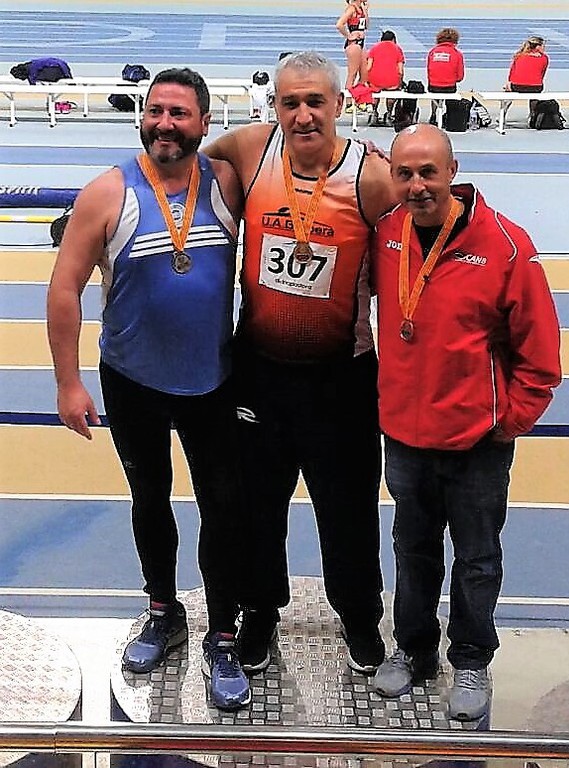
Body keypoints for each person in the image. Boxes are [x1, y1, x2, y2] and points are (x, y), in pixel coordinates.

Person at [46, 67, 251, 711]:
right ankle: (163, 610)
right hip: (132, 380)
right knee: (150, 500)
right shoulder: (107, 192)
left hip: (213, 382)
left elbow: (290, 146)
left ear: (204, 123)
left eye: (179, 114)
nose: (165, 123)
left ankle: (223, 632)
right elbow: (64, 288)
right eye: (155, 110)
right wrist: (68, 382)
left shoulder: (227, 184)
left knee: (223, 509)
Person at [203, 51, 396, 676]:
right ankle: (260, 611)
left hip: (341, 377)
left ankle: (359, 616)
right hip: (259, 372)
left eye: (315, 101)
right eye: (291, 103)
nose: (304, 115)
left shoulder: (371, 176)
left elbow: (422, 225)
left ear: (339, 103)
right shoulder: (251, 149)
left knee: (349, 508)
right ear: (275, 107)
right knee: (258, 507)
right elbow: (184, 160)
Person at [372, 124, 561, 721]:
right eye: (405, 173)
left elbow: (540, 353)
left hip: (477, 440)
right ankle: (414, 649)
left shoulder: (505, 245)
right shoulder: (387, 233)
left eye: (429, 172)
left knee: (477, 557)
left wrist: (509, 419)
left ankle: (472, 658)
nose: (417, 185)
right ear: (392, 177)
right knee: (412, 549)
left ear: (453, 172)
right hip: (405, 436)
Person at [505, 36, 549, 125]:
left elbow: (512, 72)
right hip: (536, 87)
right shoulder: (544, 58)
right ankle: (532, 116)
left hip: (517, 86)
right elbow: (542, 74)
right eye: (543, 46)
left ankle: (502, 114)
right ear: (538, 47)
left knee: (508, 93)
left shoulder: (519, 55)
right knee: (534, 94)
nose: (544, 48)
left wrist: (509, 83)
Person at [365, 30, 405, 126]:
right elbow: (400, 70)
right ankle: (389, 114)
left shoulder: (374, 48)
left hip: (375, 80)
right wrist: (400, 82)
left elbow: (368, 67)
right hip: (392, 81)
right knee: (392, 92)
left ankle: (374, 112)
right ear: (393, 39)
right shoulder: (397, 49)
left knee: (374, 91)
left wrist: (367, 81)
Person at [426, 28, 465, 124]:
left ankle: (433, 114)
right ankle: (448, 117)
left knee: (434, 94)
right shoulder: (457, 54)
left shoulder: (432, 52)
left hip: (434, 85)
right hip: (449, 86)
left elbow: (429, 70)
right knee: (450, 96)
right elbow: (460, 76)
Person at [336, 0, 369, 98]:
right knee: (352, 74)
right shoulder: (352, 9)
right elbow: (339, 24)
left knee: (364, 74)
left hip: (361, 42)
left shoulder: (361, 9)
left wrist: (365, 11)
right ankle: (348, 102)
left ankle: (359, 98)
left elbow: (366, 26)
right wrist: (349, 36)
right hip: (354, 43)